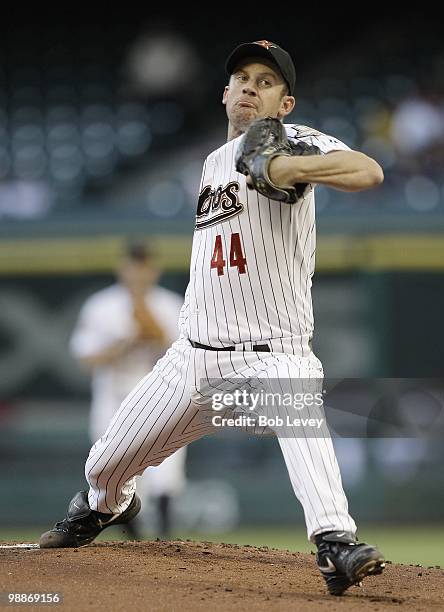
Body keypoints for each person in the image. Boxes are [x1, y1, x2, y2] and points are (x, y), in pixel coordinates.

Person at [40, 40, 385, 596]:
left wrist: (285, 166)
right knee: (103, 466)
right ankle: (107, 506)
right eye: (242, 78)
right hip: (190, 358)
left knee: (299, 408)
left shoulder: (297, 141)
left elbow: (368, 171)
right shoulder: (210, 164)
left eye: (266, 81)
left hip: (271, 355)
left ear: (285, 104)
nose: (250, 86)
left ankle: (335, 543)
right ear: (225, 93)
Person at [69, 241, 186, 539]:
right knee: (114, 471)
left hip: (162, 397)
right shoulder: (101, 305)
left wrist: (146, 323)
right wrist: (121, 346)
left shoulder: (171, 304)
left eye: (143, 265)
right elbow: (86, 358)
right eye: (133, 265)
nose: (138, 272)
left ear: (153, 269)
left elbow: (184, 354)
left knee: (165, 476)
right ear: (122, 268)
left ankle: (165, 542)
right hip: (114, 397)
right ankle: (135, 545)